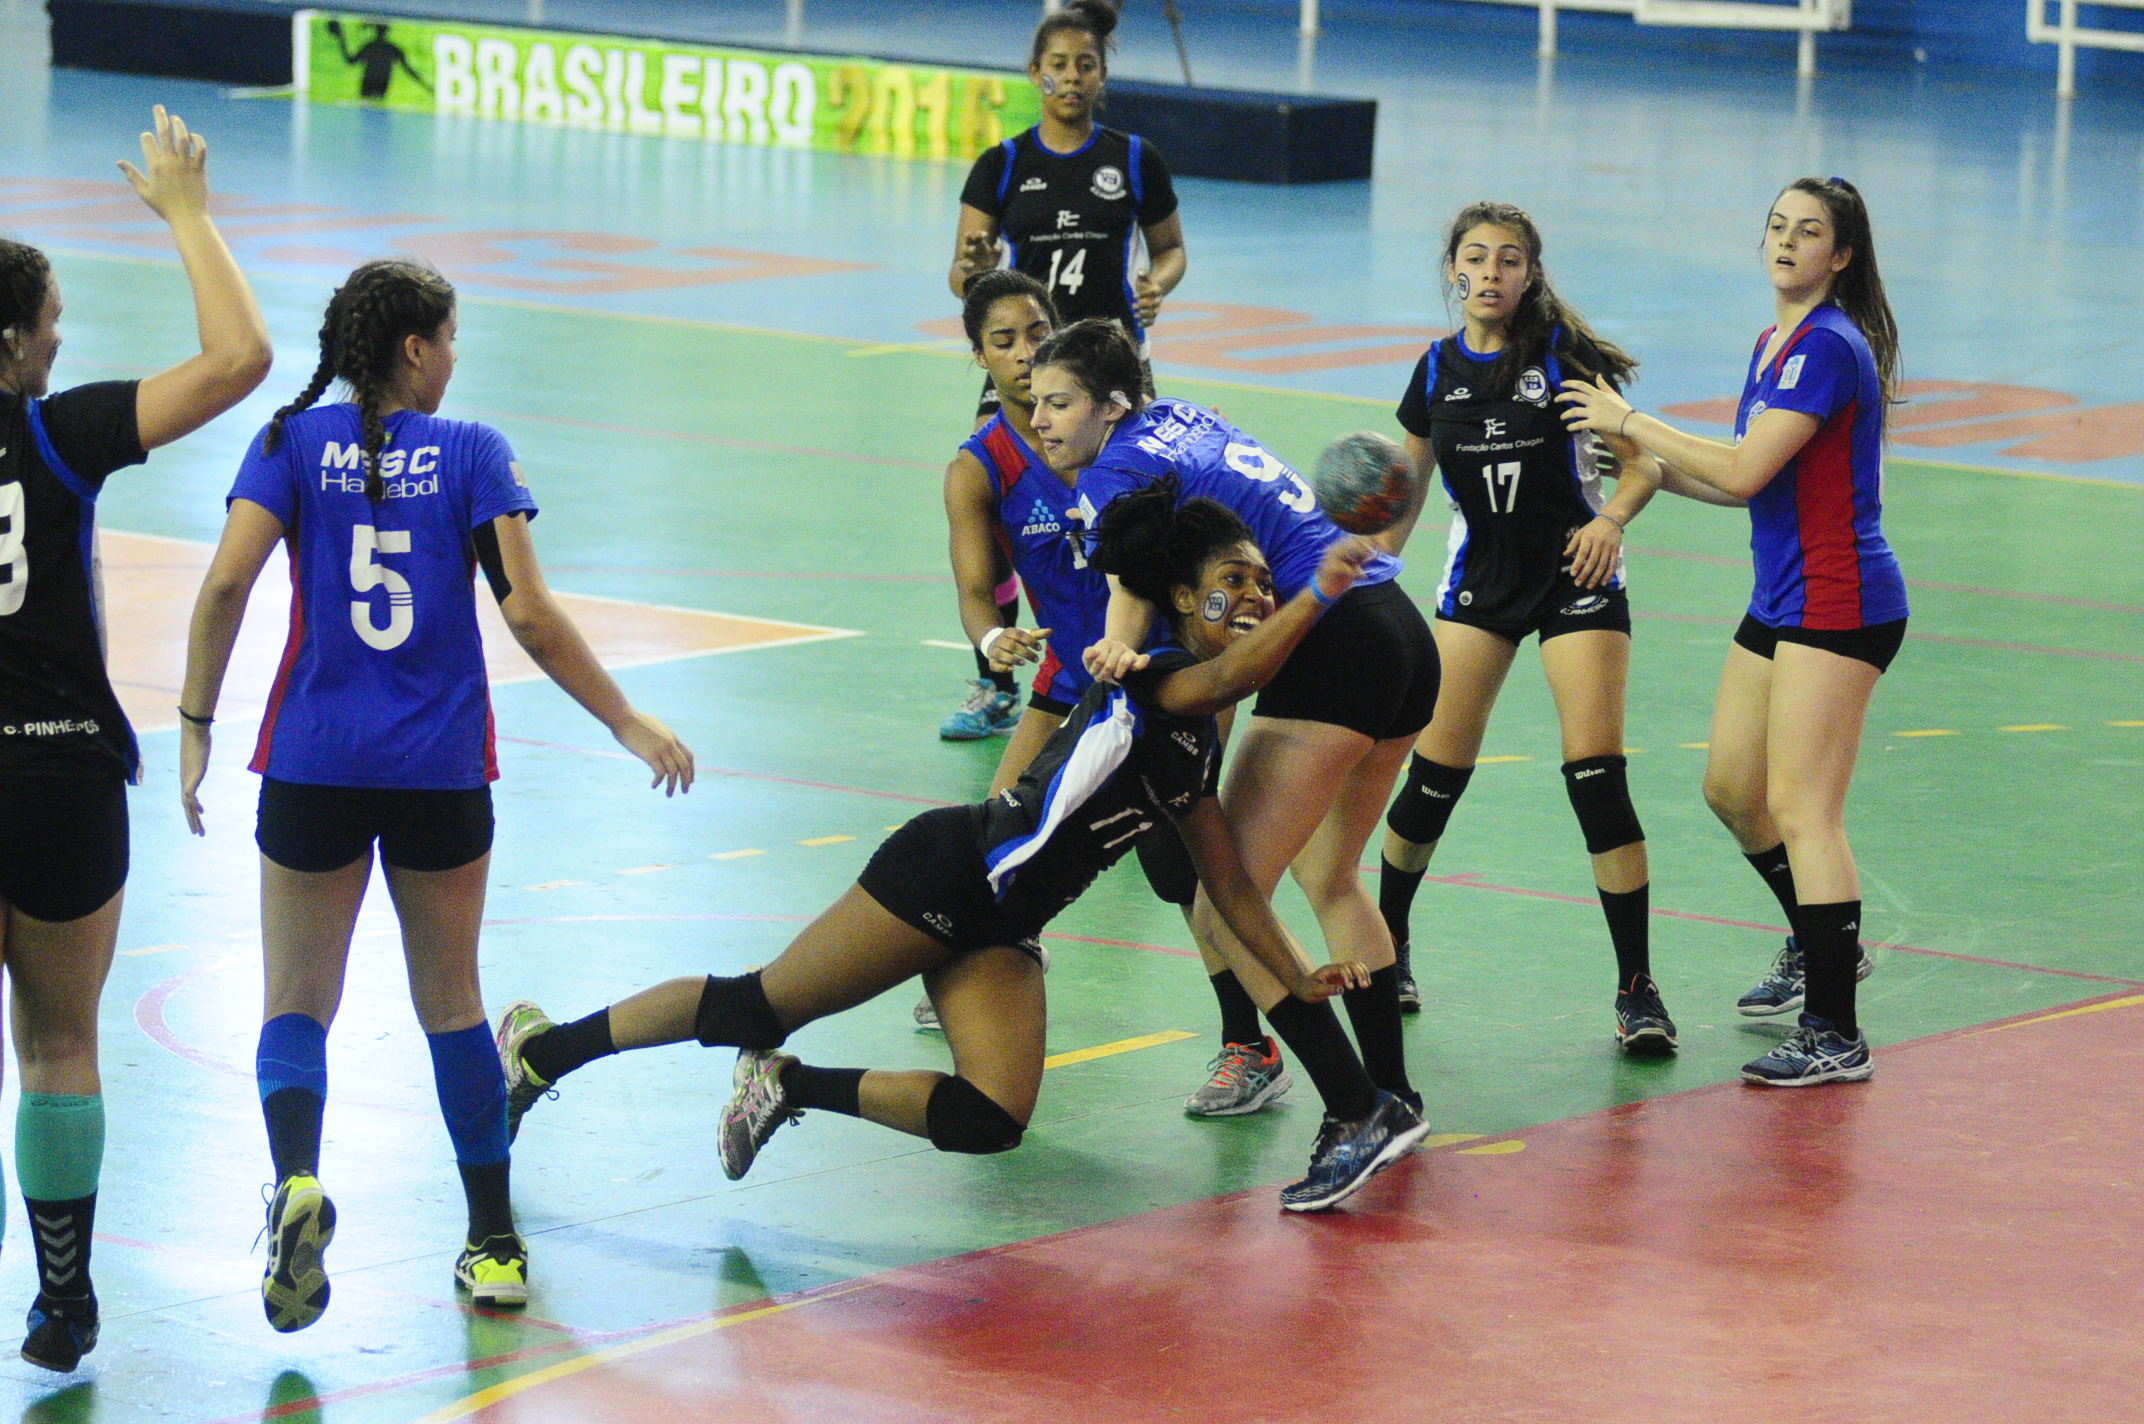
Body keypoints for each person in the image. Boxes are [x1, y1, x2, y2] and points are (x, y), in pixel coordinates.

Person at [498, 486, 1429, 1214]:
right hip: (944, 876)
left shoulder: (1195, 734)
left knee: (990, 1120)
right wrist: (1323, 586)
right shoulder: (1164, 678)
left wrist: (1299, 979)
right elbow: (1239, 669)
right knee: (756, 1004)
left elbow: (1226, 881)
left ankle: (786, 1089)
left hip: (1005, 920)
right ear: (1183, 597)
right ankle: (543, 1051)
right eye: (1239, 579)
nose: (1258, 595)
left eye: (1269, 581)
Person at [178, 259, 694, 1331]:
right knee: (453, 1001)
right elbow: (533, 615)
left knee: (295, 1004)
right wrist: (625, 719)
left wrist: (192, 723)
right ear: (414, 349)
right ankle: (493, 1243)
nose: (456, 359)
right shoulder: (472, 454)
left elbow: (225, 581)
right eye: (451, 338)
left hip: (312, 761)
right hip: (438, 769)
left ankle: (298, 1181)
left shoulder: (289, 442)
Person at [0, 106, 271, 1372]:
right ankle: (64, 1303)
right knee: (60, 1043)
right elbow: (238, 358)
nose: (62, 333)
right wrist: (187, 215)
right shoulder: (56, 433)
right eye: (49, 318)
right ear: (14, 343)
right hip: (59, 774)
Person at [1033, 318, 1440, 1159]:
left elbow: (1132, 587)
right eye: (1035, 402)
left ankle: (1353, 1105)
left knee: (1225, 906)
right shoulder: (1177, 416)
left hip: (1331, 642)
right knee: (1329, 875)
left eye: (1059, 402)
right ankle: (1397, 1097)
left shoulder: (1114, 471)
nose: (1041, 419)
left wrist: (1119, 648)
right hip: (1396, 628)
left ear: (1111, 405)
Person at [1559, 176, 1905, 1087]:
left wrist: (1632, 420)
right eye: (1777, 227)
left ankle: (1836, 1030)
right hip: (1784, 599)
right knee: (1730, 792)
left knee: (1804, 811)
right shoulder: (1775, 343)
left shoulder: (1830, 347)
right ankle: (1820, 942)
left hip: (1841, 602)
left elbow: (1749, 468)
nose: (1787, 243)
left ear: (1842, 256)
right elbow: (1738, 483)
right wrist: (1652, 467)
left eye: (1810, 233)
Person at [927, 271, 1285, 1119]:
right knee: (998, 839)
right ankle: (982, 976)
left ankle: (1251, 1043)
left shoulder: (1128, 448)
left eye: (1036, 334)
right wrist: (991, 642)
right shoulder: (982, 470)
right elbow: (980, 588)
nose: (1022, 355)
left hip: (1165, 676)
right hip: (1069, 682)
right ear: (976, 354)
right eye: (1004, 341)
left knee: (1180, 865)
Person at [1372, 201, 1676, 1055]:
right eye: (1478, 258)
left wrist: (1611, 518)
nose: (1493, 272)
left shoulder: (1562, 360)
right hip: (1482, 583)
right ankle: (1388, 945)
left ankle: (1638, 989)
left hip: (1576, 576)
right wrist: (1363, 566)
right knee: (1433, 779)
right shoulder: (1433, 373)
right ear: (1454, 273)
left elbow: (1643, 460)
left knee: (1596, 777)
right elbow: (1401, 495)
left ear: (1530, 275)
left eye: (1511, 260)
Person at [939, 0, 1188, 741]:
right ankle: (998, 678)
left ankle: (1143, 658)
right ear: (1035, 73)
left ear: (1102, 75)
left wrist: (1159, 284)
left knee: (1128, 515)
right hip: (1024, 368)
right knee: (1004, 513)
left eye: (1085, 66)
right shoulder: (1005, 164)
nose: (1071, 78)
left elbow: (1170, 249)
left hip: (1111, 373)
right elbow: (964, 274)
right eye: (1058, 66)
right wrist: (975, 267)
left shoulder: (1134, 158)